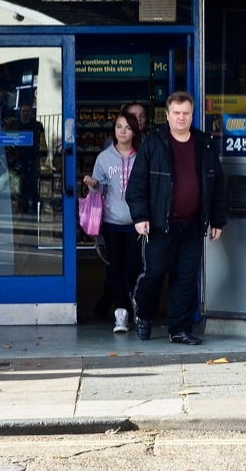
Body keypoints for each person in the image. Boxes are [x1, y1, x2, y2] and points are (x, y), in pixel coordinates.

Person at [126, 91, 226, 345]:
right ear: (167, 115)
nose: (182, 118)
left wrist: (217, 220)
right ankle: (144, 314)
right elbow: (137, 184)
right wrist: (140, 216)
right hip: (159, 226)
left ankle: (179, 329)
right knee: (155, 273)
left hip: (192, 225)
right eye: (177, 113)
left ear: (192, 115)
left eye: (186, 113)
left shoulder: (204, 143)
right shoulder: (154, 143)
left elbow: (217, 184)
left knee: (186, 277)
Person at [83, 110, 142, 333]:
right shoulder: (104, 157)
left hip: (136, 221)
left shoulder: (142, 155)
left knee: (134, 268)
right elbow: (99, 187)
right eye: (119, 127)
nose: (123, 131)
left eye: (127, 127)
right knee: (116, 268)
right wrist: (93, 183)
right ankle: (121, 314)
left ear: (134, 131)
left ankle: (138, 308)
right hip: (112, 222)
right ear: (114, 130)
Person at [5, 104, 46, 214]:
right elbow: (7, 144)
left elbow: (43, 144)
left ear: (31, 112)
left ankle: (34, 211)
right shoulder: (14, 126)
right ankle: (20, 212)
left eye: (28, 111)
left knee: (33, 189)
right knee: (17, 191)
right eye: (23, 111)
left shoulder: (37, 126)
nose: (26, 113)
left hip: (32, 162)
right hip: (17, 163)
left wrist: (42, 159)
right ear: (20, 112)